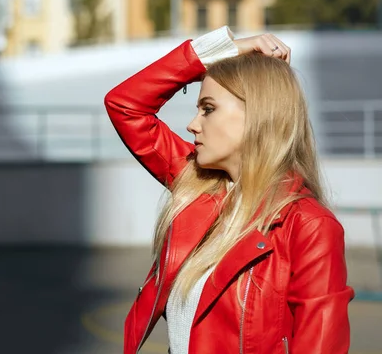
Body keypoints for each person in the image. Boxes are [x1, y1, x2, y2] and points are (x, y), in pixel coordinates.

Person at [104, 26, 354, 354]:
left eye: (208, 109)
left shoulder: (308, 227)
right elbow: (126, 105)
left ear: (257, 115)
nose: (193, 124)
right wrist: (224, 50)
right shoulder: (198, 184)